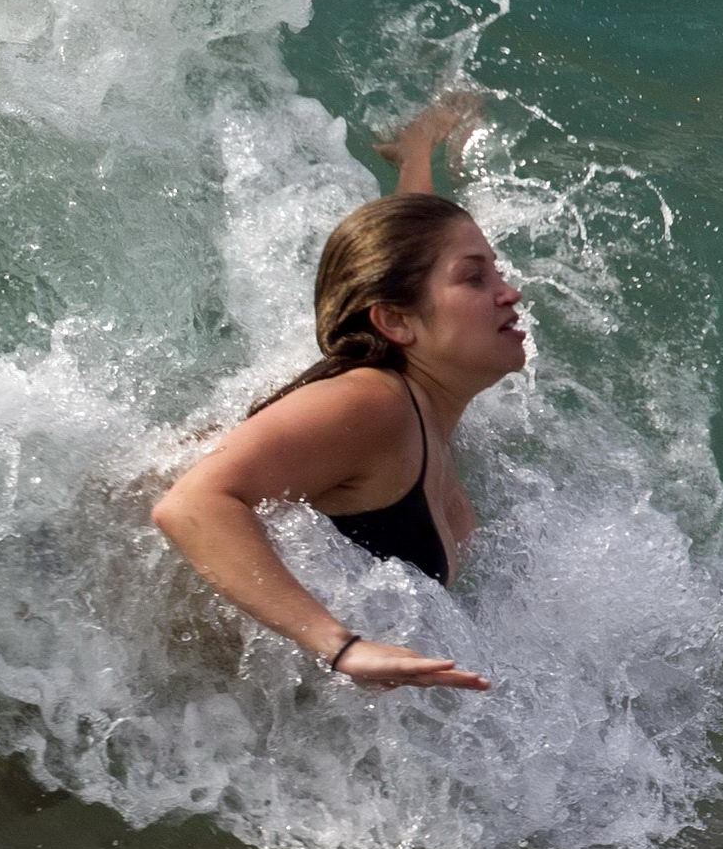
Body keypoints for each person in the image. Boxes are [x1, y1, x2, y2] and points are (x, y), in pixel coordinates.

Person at [149, 94, 520, 692]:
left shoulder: (429, 406)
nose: (510, 293)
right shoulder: (373, 404)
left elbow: (410, 248)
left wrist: (420, 147)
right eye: (476, 277)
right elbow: (190, 504)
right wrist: (340, 645)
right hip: (122, 644)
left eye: (497, 272)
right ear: (396, 323)